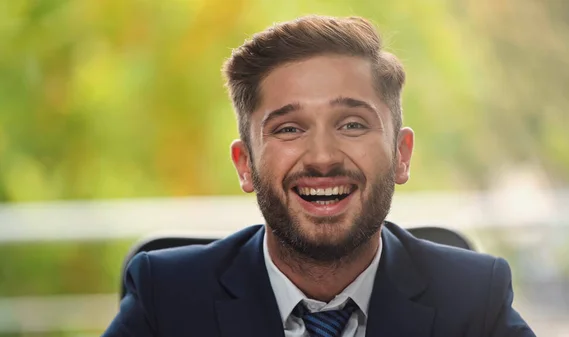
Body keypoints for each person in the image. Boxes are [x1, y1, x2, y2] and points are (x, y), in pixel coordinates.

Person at [102, 15, 536, 337]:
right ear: (245, 164)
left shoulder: (474, 297)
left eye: (352, 124)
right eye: (289, 128)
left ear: (401, 155)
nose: (323, 157)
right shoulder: (167, 297)